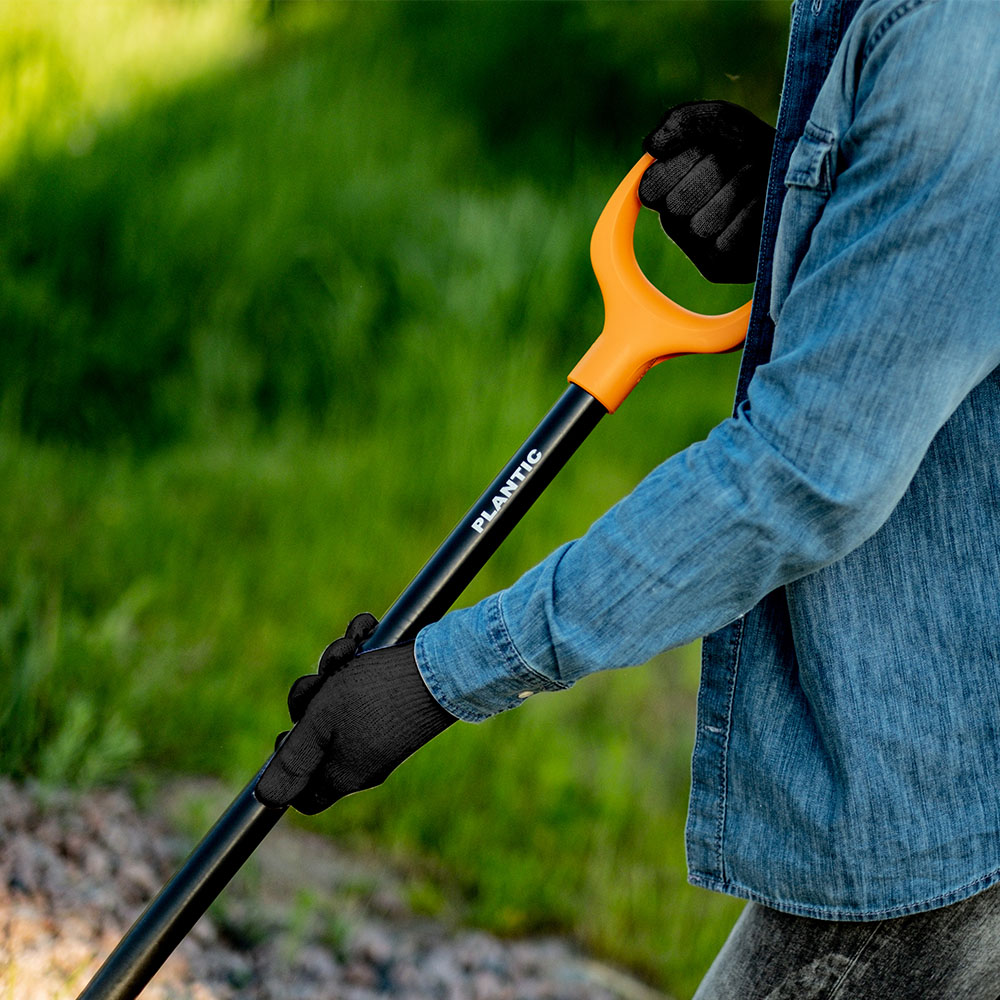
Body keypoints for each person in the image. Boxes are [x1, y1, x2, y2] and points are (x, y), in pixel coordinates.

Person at [256, 1, 1000, 995]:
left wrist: (436, 679)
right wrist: (808, 203)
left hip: (952, 785)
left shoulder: (956, 31)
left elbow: (803, 473)